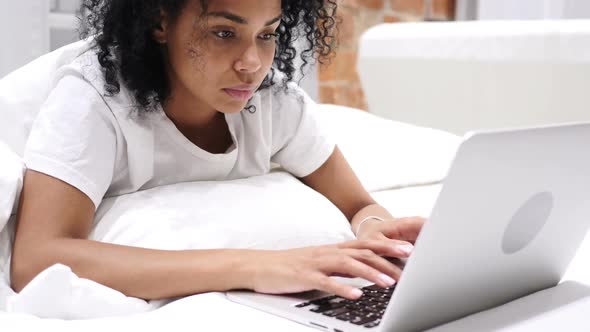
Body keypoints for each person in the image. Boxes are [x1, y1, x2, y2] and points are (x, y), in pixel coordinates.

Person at [10, 0, 425, 301]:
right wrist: (257, 266)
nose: (251, 62)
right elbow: (36, 258)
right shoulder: (96, 99)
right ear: (160, 21)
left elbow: (358, 205)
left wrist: (376, 231)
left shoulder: (272, 100)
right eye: (224, 32)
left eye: (267, 34)